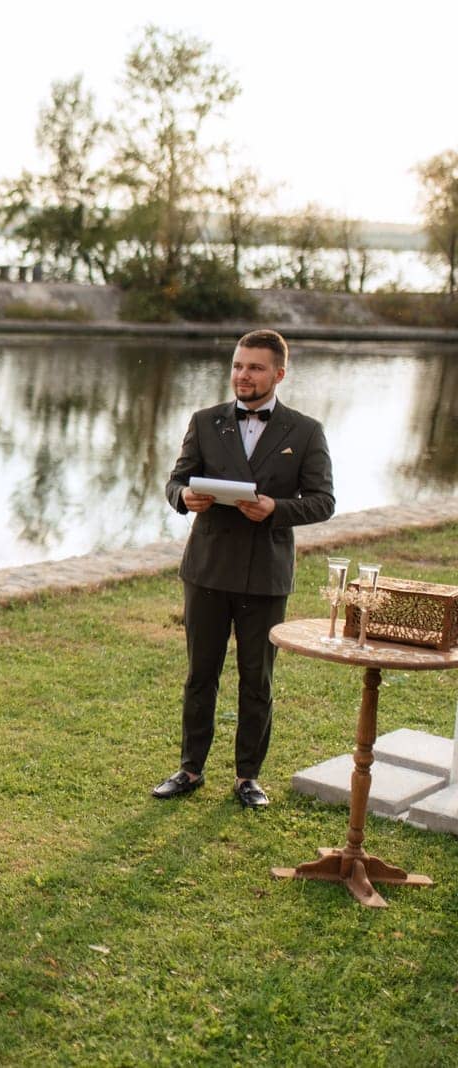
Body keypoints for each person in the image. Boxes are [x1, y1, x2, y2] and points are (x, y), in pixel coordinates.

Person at [155, 329, 335, 808]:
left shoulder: (306, 431)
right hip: (208, 569)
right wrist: (183, 498)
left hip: (266, 574)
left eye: (254, 367)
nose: (243, 375)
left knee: (258, 679)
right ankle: (190, 769)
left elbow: (323, 502)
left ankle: (247, 777)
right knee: (200, 675)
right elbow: (175, 480)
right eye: (237, 365)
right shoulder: (206, 421)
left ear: (278, 374)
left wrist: (276, 508)